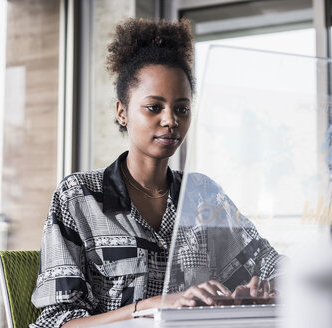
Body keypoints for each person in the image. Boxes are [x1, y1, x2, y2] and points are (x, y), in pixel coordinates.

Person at [30, 18, 285, 328]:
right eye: (154, 107)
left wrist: (259, 289)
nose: (171, 121)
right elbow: (57, 322)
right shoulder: (79, 197)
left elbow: (275, 266)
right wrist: (153, 306)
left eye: (182, 108)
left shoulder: (203, 195)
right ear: (122, 112)